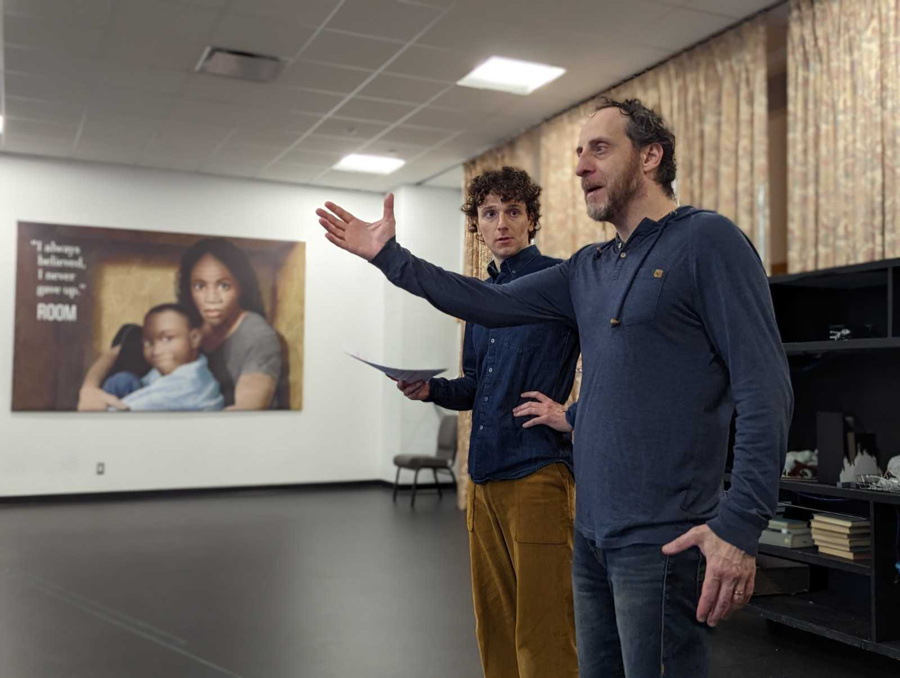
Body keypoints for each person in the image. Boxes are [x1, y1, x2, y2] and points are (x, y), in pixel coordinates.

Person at [316, 98, 793, 678]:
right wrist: (390, 258)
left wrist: (740, 525)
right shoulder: (587, 269)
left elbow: (764, 388)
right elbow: (484, 302)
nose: (580, 166)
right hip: (592, 534)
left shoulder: (707, 242)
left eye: (599, 148)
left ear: (650, 156)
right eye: (577, 153)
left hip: (663, 540)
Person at [396, 167, 580, 678]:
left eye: (514, 212)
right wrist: (433, 389)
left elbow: (617, 359)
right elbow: (476, 385)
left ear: (532, 221)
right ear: (477, 225)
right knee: (494, 625)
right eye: (489, 213)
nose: (502, 223)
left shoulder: (560, 284)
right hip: (483, 477)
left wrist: (572, 415)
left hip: (538, 475)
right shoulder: (478, 302)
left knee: (543, 630)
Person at [78, 238, 283, 411]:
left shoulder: (257, 337)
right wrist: (89, 389)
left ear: (241, 286)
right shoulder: (189, 321)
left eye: (223, 285)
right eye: (200, 286)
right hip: (152, 397)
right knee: (129, 342)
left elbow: (246, 414)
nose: (212, 298)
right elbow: (117, 352)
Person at [102, 303, 224, 412]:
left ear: (194, 338)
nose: (156, 350)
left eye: (167, 339)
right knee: (123, 380)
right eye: (148, 343)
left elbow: (115, 415)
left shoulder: (186, 385)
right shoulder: (186, 365)